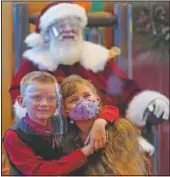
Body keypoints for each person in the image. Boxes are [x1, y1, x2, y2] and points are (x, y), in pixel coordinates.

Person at [10, 1, 169, 154]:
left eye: (73, 25)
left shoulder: (98, 59)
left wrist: (149, 102)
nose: (68, 30)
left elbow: (127, 91)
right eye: (60, 26)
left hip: (112, 135)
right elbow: (22, 100)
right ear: (46, 34)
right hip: (58, 142)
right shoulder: (36, 63)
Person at [3, 71, 117, 176]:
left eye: (51, 98)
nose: (44, 103)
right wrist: (84, 152)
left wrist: (100, 123)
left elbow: (110, 109)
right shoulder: (14, 135)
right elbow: (38, 172)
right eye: (37, 98)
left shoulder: (63, 121)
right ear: (21, 101)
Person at [60, 75, 151, 175]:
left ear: (98, 99)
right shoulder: (63, 140)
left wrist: (100, 123)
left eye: (86, 96)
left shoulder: (120, 129)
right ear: (65, 111)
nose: (83, 102)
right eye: (74, 100)